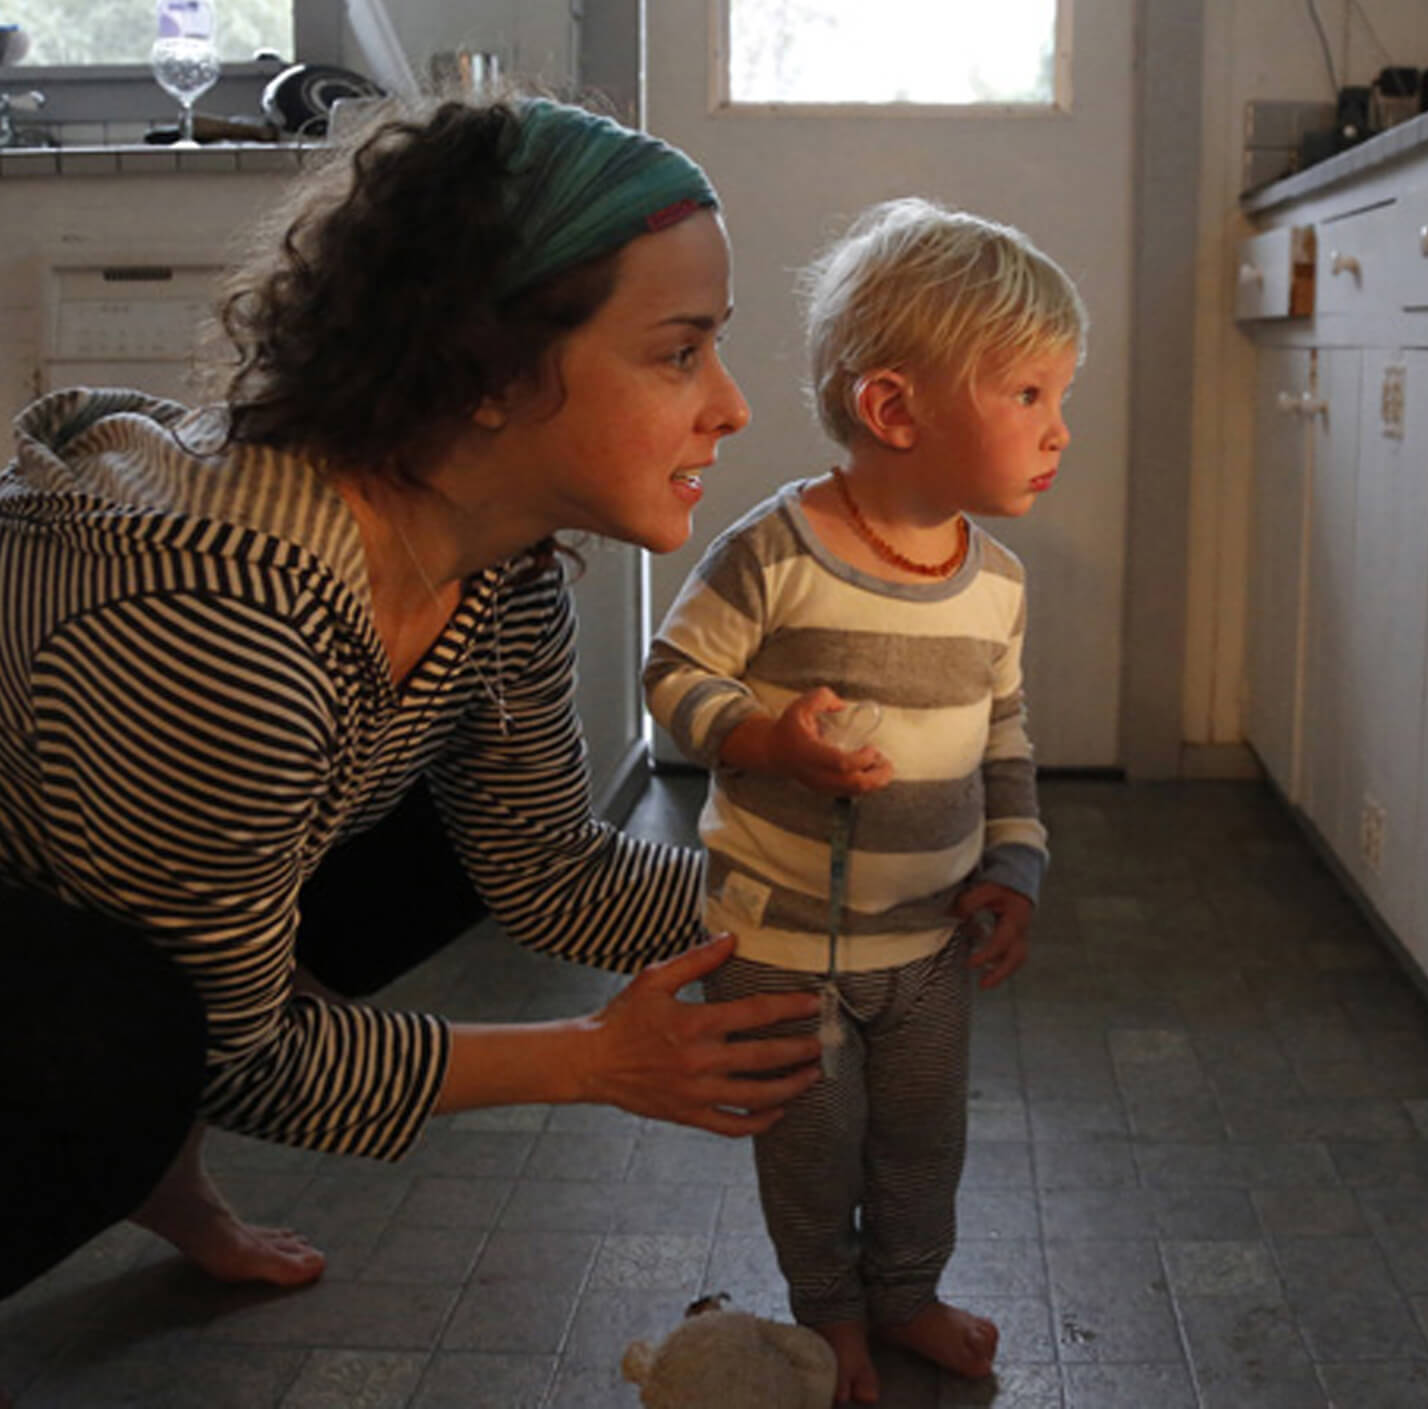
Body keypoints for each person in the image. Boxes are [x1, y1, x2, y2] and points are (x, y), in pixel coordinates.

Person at [0, 95, 827, 1306]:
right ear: (482, 371)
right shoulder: (223, 628)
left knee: (439, 852)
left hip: (79, 881)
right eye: (678, 350)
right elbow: (245, 1051)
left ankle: (152, 1173)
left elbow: (544, 869)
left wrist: (849, 898)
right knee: (120, 1039)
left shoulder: (497, 568)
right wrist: (593, 1061)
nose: (732, 404)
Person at [643, 196, 1085, 1403]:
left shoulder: (992, 582)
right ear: (893, 409)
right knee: (808, 1143)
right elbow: (670, 676)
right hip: (780, 942)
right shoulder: (771, 553)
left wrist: (1014, 863)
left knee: (919, 1142)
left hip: (927, 941)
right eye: (1028, 396)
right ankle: (829, 1313)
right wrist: (764, 737)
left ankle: (905, 1292)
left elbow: (1003, 734)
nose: (1058, 431)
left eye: (1060, 397)